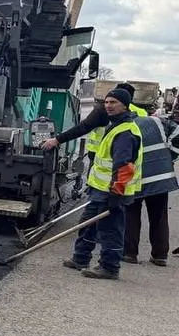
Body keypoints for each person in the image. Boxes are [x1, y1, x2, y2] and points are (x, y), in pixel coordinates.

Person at [63, 87, 143, 280]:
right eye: (106, 102)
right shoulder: (114, 125)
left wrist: (116, 193)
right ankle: (80, 258)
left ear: (125, 105)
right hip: (99, 188)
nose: (108, 106)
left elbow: (124, 166)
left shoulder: (125, 132)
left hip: (112, 191)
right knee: (87, 224)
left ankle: (109, 267)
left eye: (113, 102)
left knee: (110, 230)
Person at [124, 108, 178, 266]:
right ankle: (160, 255)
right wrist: (171, 157)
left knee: (131, 213)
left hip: (136, 178)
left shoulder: (124, 126)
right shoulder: (157, 121)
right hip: (160, 177)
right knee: (159, 216)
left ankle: (129, 253)